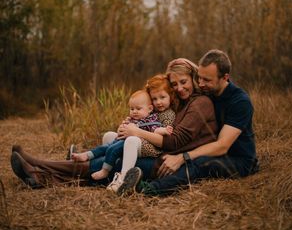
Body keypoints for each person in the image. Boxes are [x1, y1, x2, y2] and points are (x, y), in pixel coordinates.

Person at [10, 59, 218, 189]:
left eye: (184, 82)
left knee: (104, 164)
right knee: (107, 156)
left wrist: (136, 132)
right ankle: (39, 174)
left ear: (193, 78)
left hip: (164, 163)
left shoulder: (201, 103)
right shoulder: (179, 104)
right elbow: (154, 117)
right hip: (159, 156)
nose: (180, 88)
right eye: (175, 84)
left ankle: (38, 168)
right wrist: (132, 124)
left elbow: (175, 141)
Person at [118, 49, 259, 196]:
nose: (201, 83)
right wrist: (133, 122)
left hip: (237, 159)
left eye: (207, 80)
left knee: (200, 163)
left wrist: (183, 156)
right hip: (206, 149)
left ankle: (147, 189)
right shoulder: (204, 92)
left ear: (225, 78)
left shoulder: (239, 101)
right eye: (199, 78)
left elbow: (222, 146)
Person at [71, 89, 169, 181]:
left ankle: (105, 171)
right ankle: (86, 155)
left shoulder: (150, 120)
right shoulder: (133, 119)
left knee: (111, 149)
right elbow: (122, 130)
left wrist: (164, 130)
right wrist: (121, 128)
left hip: (133, 144)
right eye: (132, 108)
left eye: (138, 109)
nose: (134, 111)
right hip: (122, 140)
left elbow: (156, 129)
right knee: (104, 147)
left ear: (150, 109)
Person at [106, 74, 176, 193]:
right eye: (154, 99)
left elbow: (161, 138)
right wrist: (123, 128)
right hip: (139, 140)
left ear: (171, 96)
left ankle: (123, 180)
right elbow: (136, 122)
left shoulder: (169, 114)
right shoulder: (149, 109)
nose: (158, 102)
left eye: (162, 97)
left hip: (152, 147)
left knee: (131, 140)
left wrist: (135, 132)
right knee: (109, 136)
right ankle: (108, 172)